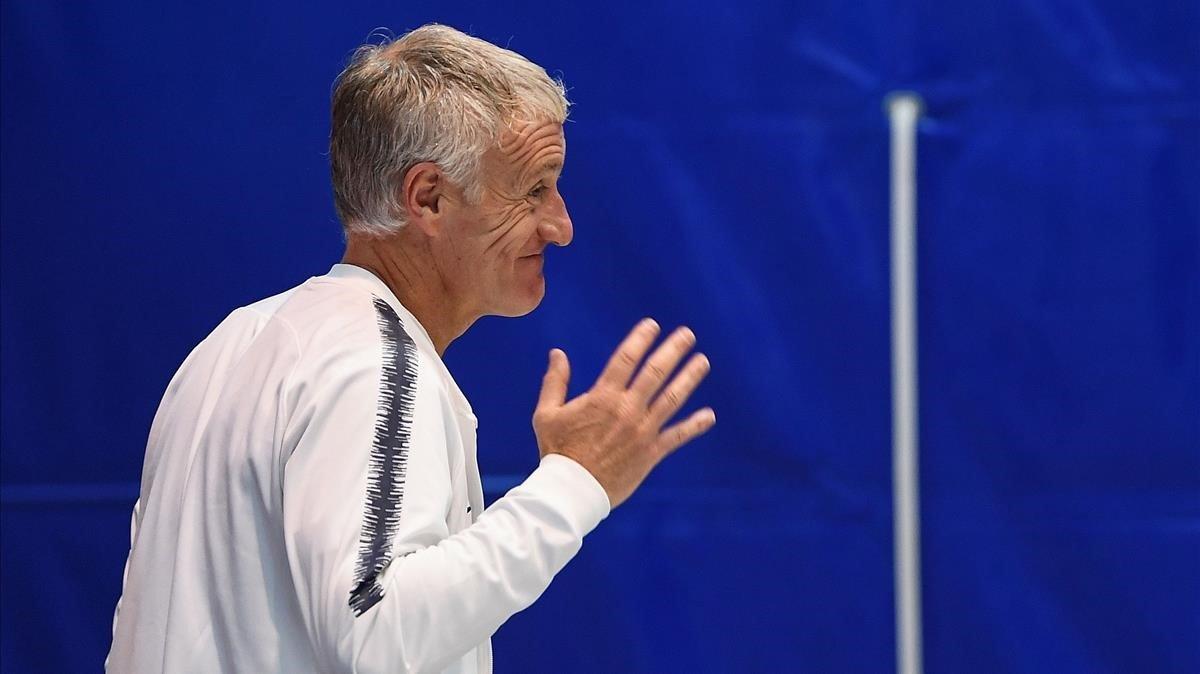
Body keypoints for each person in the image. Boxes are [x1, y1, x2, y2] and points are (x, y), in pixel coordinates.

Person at [106, 24, 715, 673]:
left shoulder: (228, 346)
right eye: (534, 188)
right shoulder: (375, 363)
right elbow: (376, 630)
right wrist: (573, 485)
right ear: (427, 197)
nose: (560, 225)